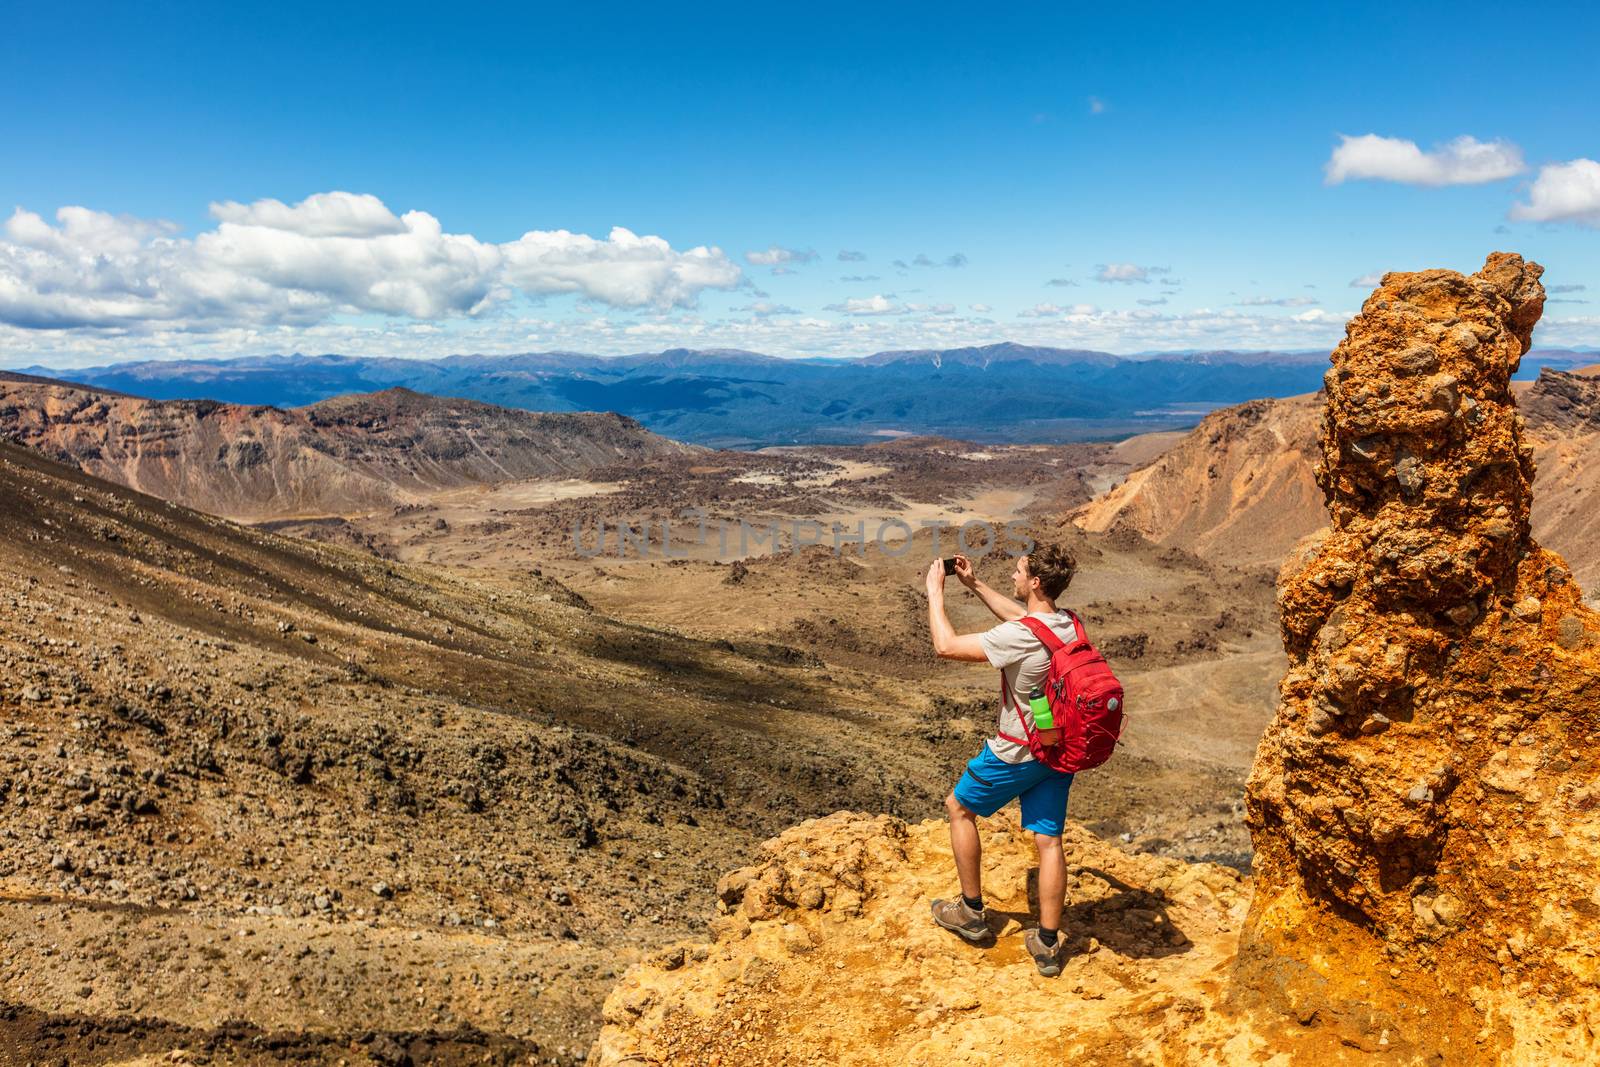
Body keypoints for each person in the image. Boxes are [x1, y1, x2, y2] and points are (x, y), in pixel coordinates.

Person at [922, 543, 1080, 977]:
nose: (1013, 575)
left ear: (1034, 583)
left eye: (1018, 571)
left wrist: (936, 592)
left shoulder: (1020, 636)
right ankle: (1047, 944)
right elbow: (1023, 618)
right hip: (1057, 749)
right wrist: (975, 586)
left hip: (1016, 751)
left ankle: (972, 913)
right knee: (1048, 841)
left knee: (960, 808)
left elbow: (946, 646)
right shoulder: (1067, 625)